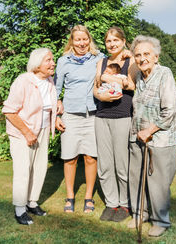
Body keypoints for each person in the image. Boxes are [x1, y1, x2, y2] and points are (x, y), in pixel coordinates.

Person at [127, 35, 176, 237]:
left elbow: (171, 109)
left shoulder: (164, 74)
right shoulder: (139, 76)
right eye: (138, 55)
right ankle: (140, 214)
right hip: (138, 137)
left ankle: (160, 220)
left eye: (146, 54)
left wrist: (150, 130)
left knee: (158, 181)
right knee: (137, 178)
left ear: (156, 57)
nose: (142, 58)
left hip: (159, 139)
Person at [2, 48, 57, 225]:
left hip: (42, 130)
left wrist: (57, 114)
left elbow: (47, 106)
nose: (53, 63)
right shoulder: (23, 81)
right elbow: (9, 111)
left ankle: (32, 202)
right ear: (37, 64)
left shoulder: (49, 81)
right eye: (48, 60)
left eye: (52, 59)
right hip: (22, 133)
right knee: (23, 170)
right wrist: (27, 132)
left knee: (39, 168)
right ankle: (19, 209)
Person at [55, 25, 104, 213]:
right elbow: (56, 90)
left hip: (92, 114)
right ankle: (69, 197)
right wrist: (57, 115)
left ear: (89, 40)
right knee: (70, 158)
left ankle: (89, 197)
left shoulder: (99, 59)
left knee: (91, 157)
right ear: (72, 41)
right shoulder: (63, 61)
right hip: (71, 116)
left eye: (85, 39)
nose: (82, 43)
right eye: (78, 40)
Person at [93, 26, 138, 222]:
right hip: (102, 116)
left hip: (122, 116)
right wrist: (100, 94)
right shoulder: (101, 62)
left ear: (123, 41)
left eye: (115, 41)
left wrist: (110, 78)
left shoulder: (131, 60)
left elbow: (133, 85)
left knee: (122, 163)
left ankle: (125, 204)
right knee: (104, 164)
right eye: (108, 41)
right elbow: (95, 88)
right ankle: (111, 203)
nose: (112, 44)